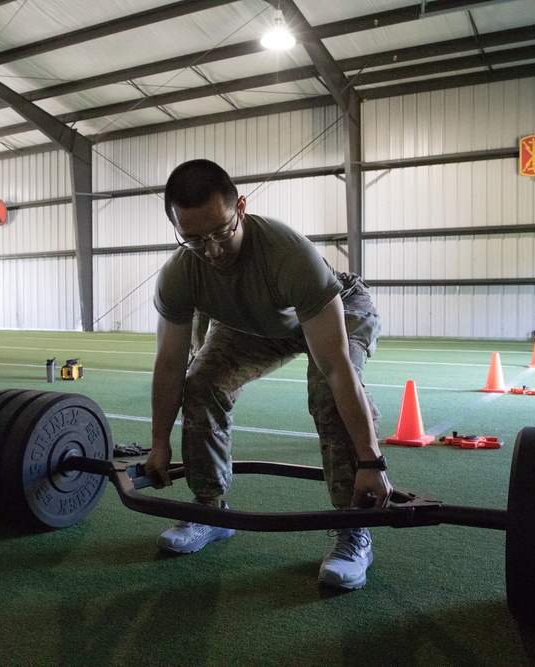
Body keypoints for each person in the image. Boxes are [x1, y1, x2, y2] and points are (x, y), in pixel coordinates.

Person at [145, 159, 392, 590]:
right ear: (176, 229)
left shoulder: (288, 255)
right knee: (202, 383)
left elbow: (335, 368)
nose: (213, 250)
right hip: (256, 324)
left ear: (241, 207)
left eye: (222, 232)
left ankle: (354, 530)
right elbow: (169, 365)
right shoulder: (180, 274)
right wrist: (160, 443)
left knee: (328, 393)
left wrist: (371, 460)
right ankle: (209, 511)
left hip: (335, 309)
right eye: (195, 240)